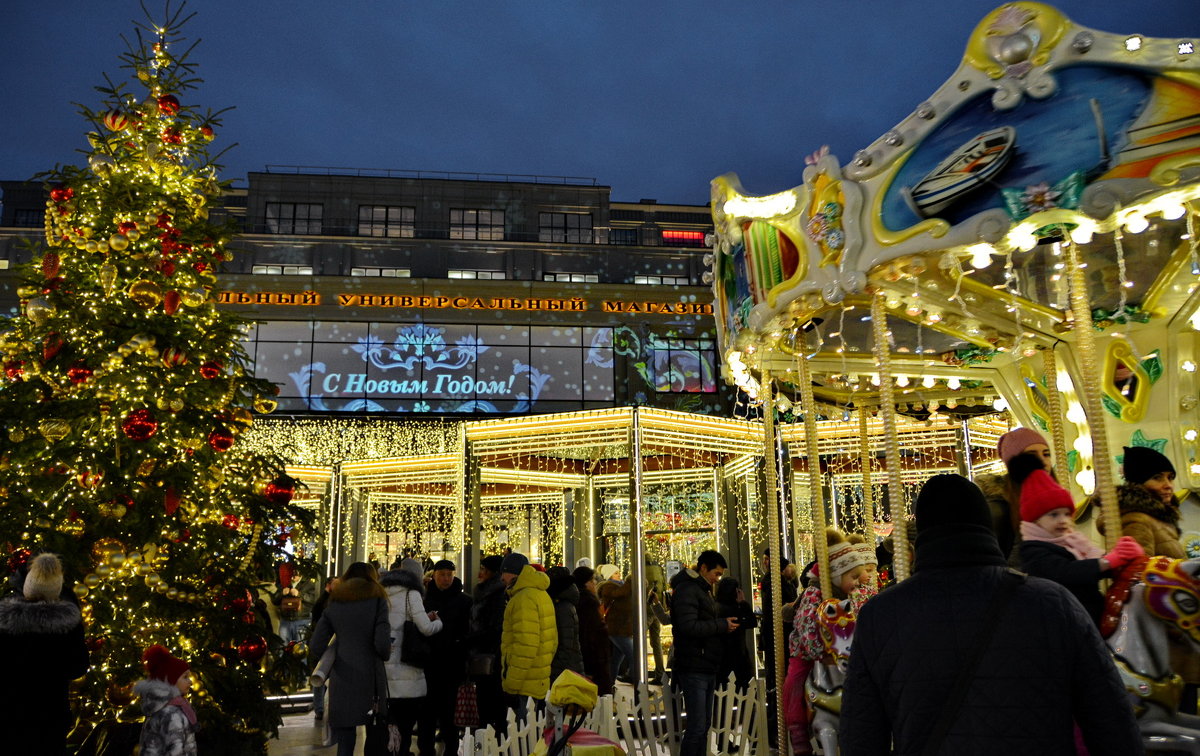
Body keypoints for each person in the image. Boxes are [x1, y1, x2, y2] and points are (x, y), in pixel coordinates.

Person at [838, 474, 1143, 755]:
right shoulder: (1052, 602)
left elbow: (861, 733)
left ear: (921, 537)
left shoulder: (880, 615)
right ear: (989, 527)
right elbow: (1110, 718)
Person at [1014, 455, 1145, 626]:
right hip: (1063, 621)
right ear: (1035, 520)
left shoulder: (1072, 541)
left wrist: (1125, 557)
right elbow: (1066, 572)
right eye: (1053, 515)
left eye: (1067, 514)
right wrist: (1107, 561)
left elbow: (1096, 567)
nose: (1063, 520)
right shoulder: (1033, 551)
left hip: (1089, 613)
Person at [785, 531, 877, 755]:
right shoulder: (813, 595)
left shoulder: (852, 594)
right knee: (794, 684)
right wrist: (818, 651)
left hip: (846, 654)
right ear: (836, 576)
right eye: (853, 577)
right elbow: (806, 627)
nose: (857, 582)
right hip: (811, 654)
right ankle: (798, 733)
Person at [0, 553, 88, 756]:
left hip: (8, 712)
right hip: (50, 714)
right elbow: (78, 667)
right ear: (57, 590)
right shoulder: (68, 625)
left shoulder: (4, 620)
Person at [309, 561, 391, 756]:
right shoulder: (378, 599)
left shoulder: (336, 601)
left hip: (342, 677)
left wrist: (334, 659)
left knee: (345, 740)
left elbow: (316, 644)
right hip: (371, 676)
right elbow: (382, 643)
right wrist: (384, 653)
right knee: (375, 732)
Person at [670, 549, 738, 756]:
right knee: (697, 726)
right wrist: (720, 625)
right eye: (716, 574)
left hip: (704, 663)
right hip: (694, 664)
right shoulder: (689, 589)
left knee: (703, 725)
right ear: (703, 568)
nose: (717, 579)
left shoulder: (701, 589)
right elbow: (688, 626)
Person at [382, 558, 443, 756]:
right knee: (407, 725)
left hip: (385, 669)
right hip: (408, 669)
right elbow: (425, 628)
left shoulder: (382, 593)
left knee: (390, 724)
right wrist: (438, 622)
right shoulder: (412, 593)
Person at [418, 559, 472, 755]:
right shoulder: (423, 600)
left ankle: (451, 749)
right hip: (428, 665)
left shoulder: (464, 601)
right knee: (427, 712)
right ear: (434, 576)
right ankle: (426, 749)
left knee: (450, 712)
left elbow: (469, 631)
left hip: (452, 664)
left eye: (449, 574)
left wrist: (460, 645)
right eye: (442, 574)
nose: (446, 578)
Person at [976, 426, 1053, 559]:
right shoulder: (999, 508)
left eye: (1046, 454)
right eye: (1031, 456)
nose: (1043, 461)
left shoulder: (1052, 499)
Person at [501, 557, 558, 711]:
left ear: (512, 573)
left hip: (524, 682)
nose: (502, 578)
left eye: (504, 573)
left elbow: (525, 647)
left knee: (523, 731)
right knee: (535, 730)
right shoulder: (540, 593)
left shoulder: (523, 598)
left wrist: (512, 685)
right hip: (538, 677)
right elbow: (553, 642)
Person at [469, 554, 508, 733]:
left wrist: (475, 637)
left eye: (484, 569)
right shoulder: (484, 592)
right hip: (483, 652)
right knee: (485, 699)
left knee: (490, 699)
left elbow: (493, 626)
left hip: (491, 653)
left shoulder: (496, 595)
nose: (480, 573)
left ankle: (489, 737)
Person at [135, 645, 198, 756]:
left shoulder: (166, 706)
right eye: (185, 677)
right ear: (171, 680)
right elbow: (175, 750)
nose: (190, 681)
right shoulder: (171, 713)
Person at [573, 565, 614, 694]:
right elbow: (590, 635)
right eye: (591, 581)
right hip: (595, 661)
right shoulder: (588, 603)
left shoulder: (578, 600)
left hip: (590, 659)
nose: (594, 583)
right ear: (585, 584)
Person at [715, 575, 756, 690]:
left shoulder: (716, 607)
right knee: (743, 689)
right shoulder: (735, 609)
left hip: (721, 656)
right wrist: (743, 602)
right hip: (738, 655)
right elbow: (751, 622)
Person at [547, 566, 585, 684]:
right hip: (569, 667)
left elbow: (565, 644)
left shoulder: (562, 607)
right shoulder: (564, 604)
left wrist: (554, 670)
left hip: (566, 671)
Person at [597, 564, 635, 683]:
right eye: (616, 573)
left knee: (616, 660)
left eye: (619, 572)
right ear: (609, 575)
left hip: (621, 628)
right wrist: (630, 580)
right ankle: (638, 684)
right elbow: (620, 593)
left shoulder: (621, 585)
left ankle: (609, 684)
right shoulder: (609, 587)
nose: (619, 575)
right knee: (634, 656)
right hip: (617, 629)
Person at [308, 575, 338, 721]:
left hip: (330, 643)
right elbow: (316, 612)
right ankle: (320, 708)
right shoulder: (325, 602)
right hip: (325, 643)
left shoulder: (339, 601)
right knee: (320, 676)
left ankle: (324, 708)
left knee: (325, 678)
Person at [275, 568, 318, 644]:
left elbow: (312, 599)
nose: (292, 578)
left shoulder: (308, 584)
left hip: (301, 620)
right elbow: (275, 600)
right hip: (285, 620)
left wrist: (299, 594)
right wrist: (282, 593)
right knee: (283, 646)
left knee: (300, 648)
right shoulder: (284, 583)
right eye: (291, 576)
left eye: (294, 576)